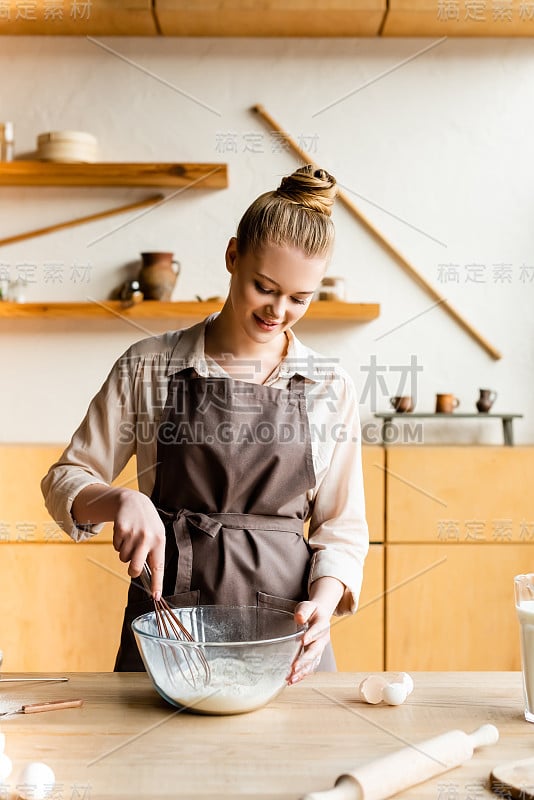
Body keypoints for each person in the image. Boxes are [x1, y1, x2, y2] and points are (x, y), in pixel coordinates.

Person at [41, 165, 369, 683]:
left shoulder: (330, 387)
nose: (278, 311)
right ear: (233, 256)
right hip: (169, 632)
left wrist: (324, 607)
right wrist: (121, 499)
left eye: (299, 299)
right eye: (265, 287)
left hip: (287, 641)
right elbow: (65, 480)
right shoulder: (149, 365)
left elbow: (341, 530)